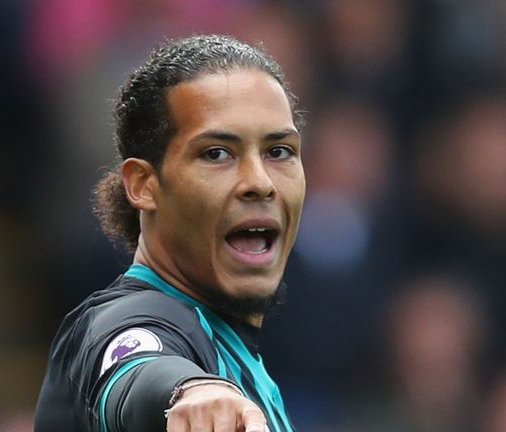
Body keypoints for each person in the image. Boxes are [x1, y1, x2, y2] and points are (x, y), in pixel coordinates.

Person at [34, 34, 305, 432]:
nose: (260, 182)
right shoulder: (126, 320)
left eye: (279, 151)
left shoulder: (242, 362)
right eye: (217, 153)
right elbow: (136, 363)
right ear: (144, 184)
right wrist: (190, 391)